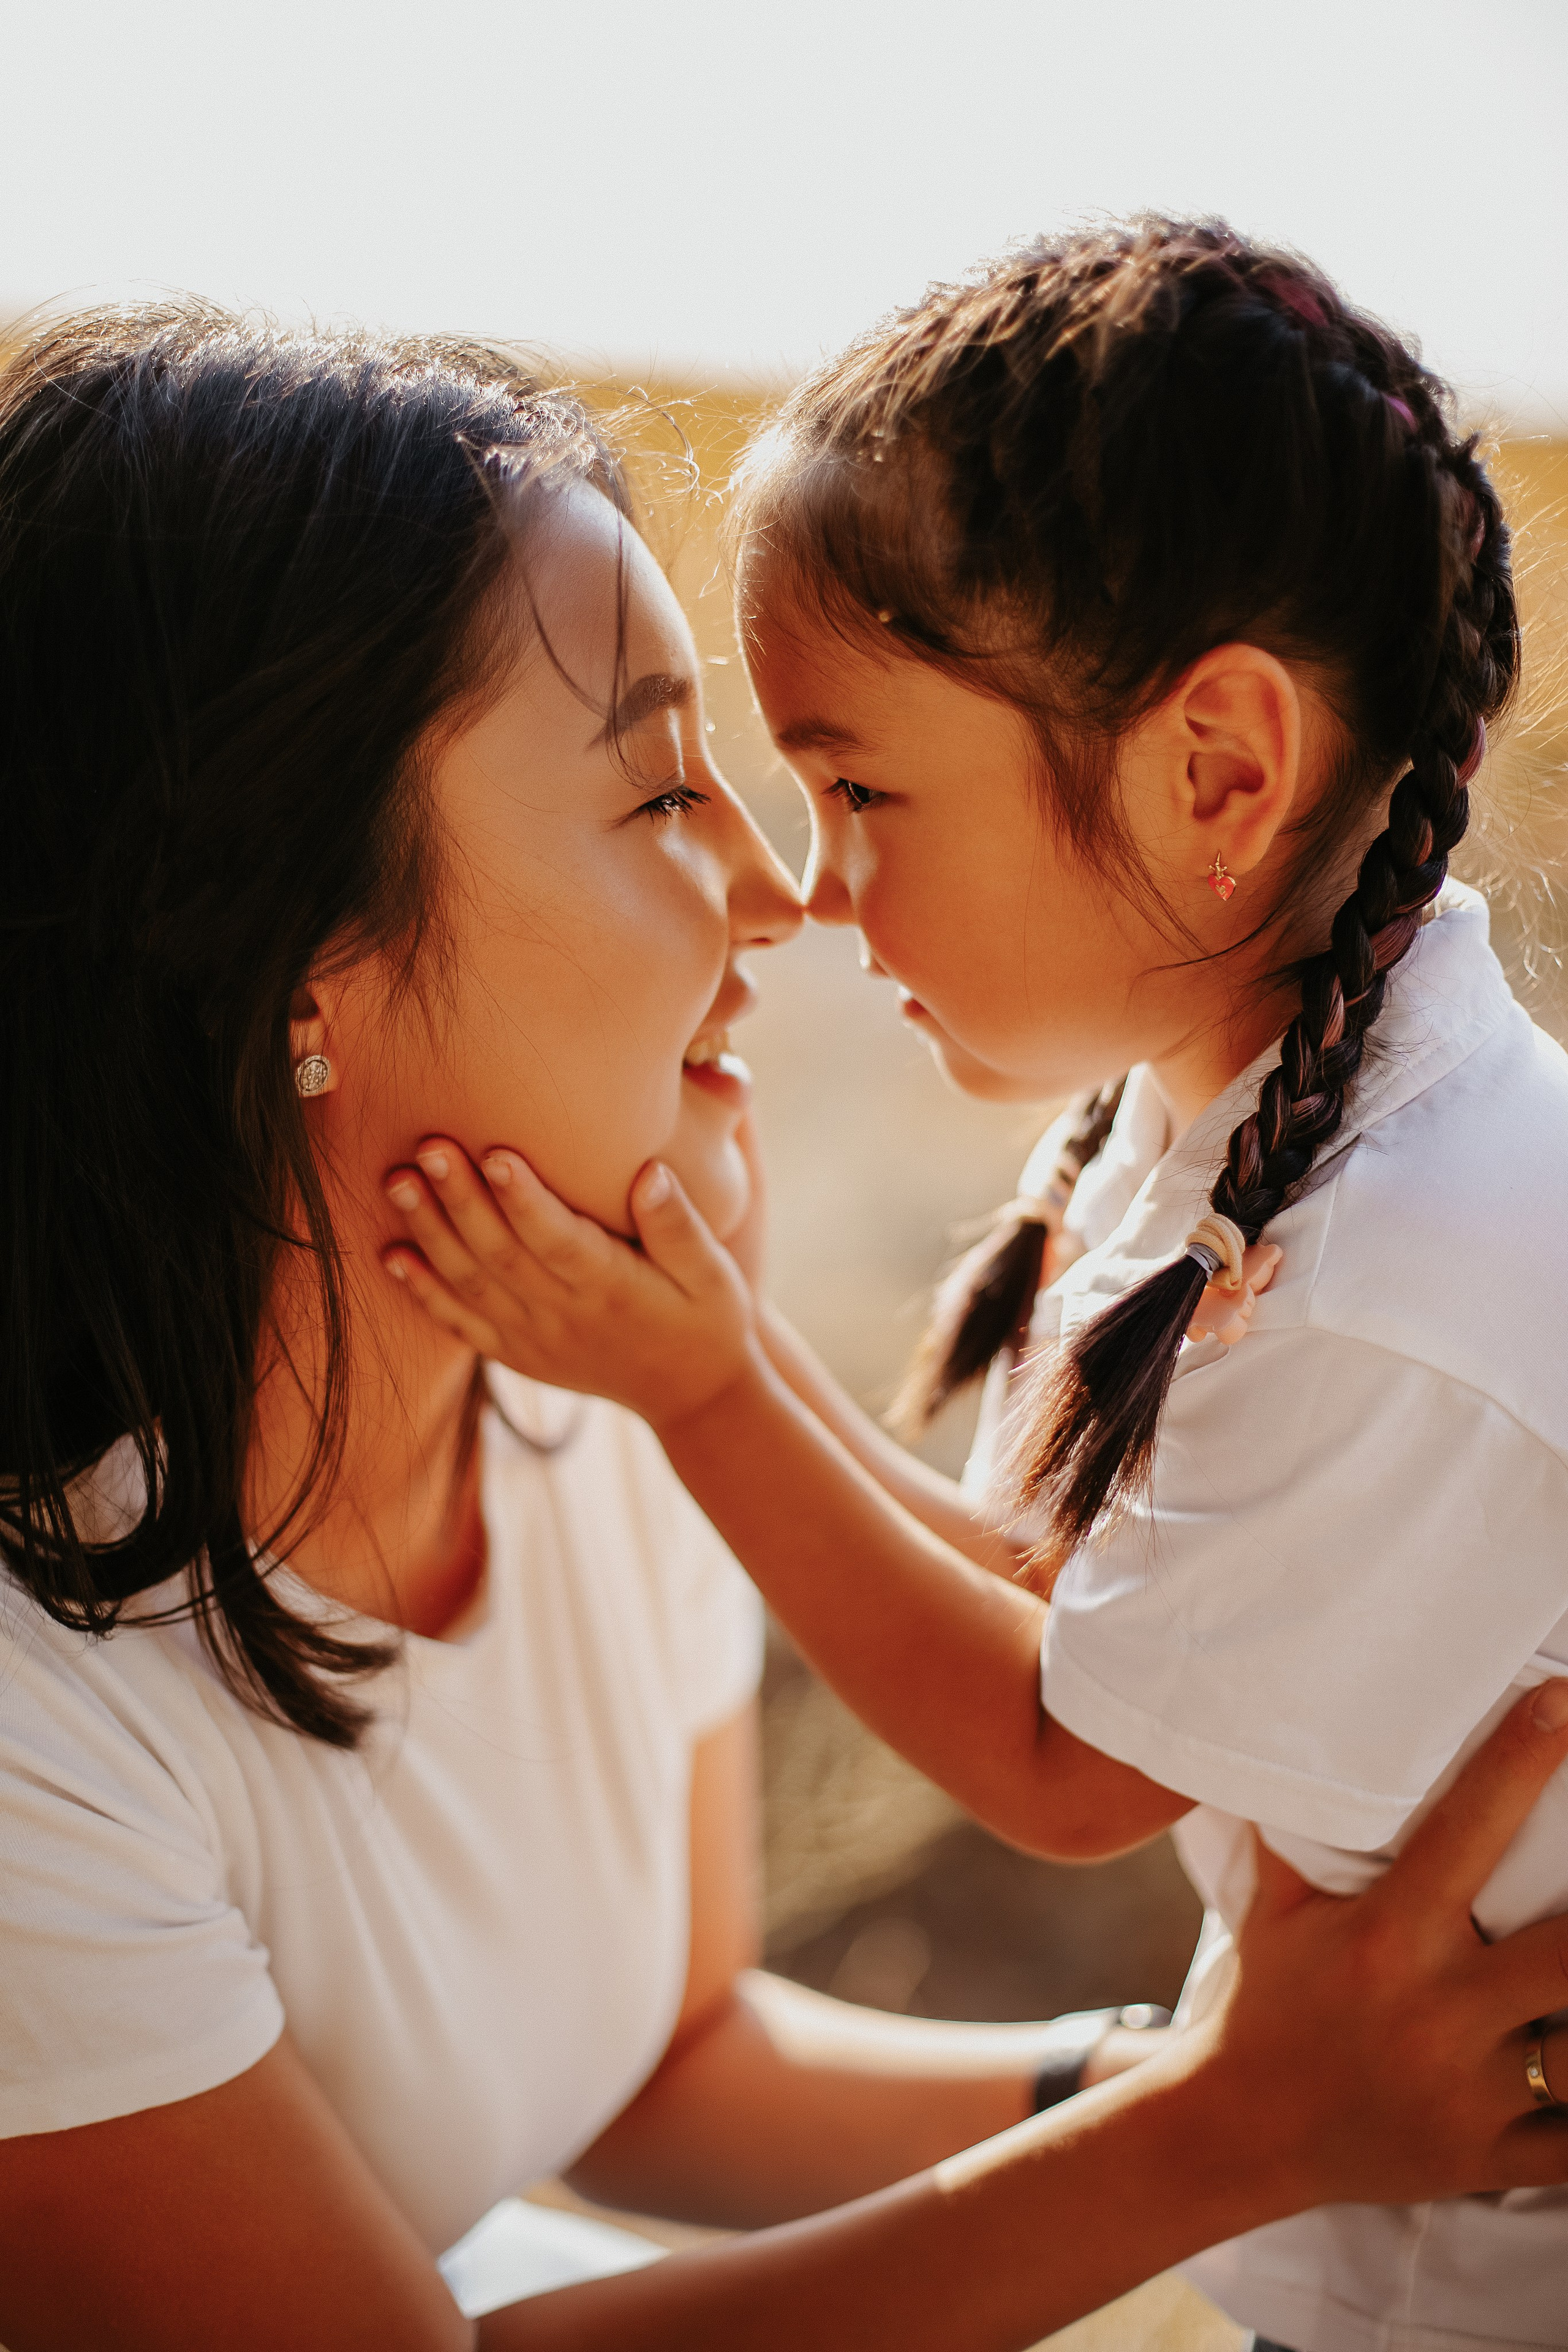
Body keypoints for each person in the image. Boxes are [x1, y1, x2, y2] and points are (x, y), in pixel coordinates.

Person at [0, 301, 1561, 2352]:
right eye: (665, 796)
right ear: (294, 958)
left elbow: (669, 2063)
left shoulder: (597, 1393)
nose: (775, 887)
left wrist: (1294, 2084)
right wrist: (1228, 2135)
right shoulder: (35, 1725)